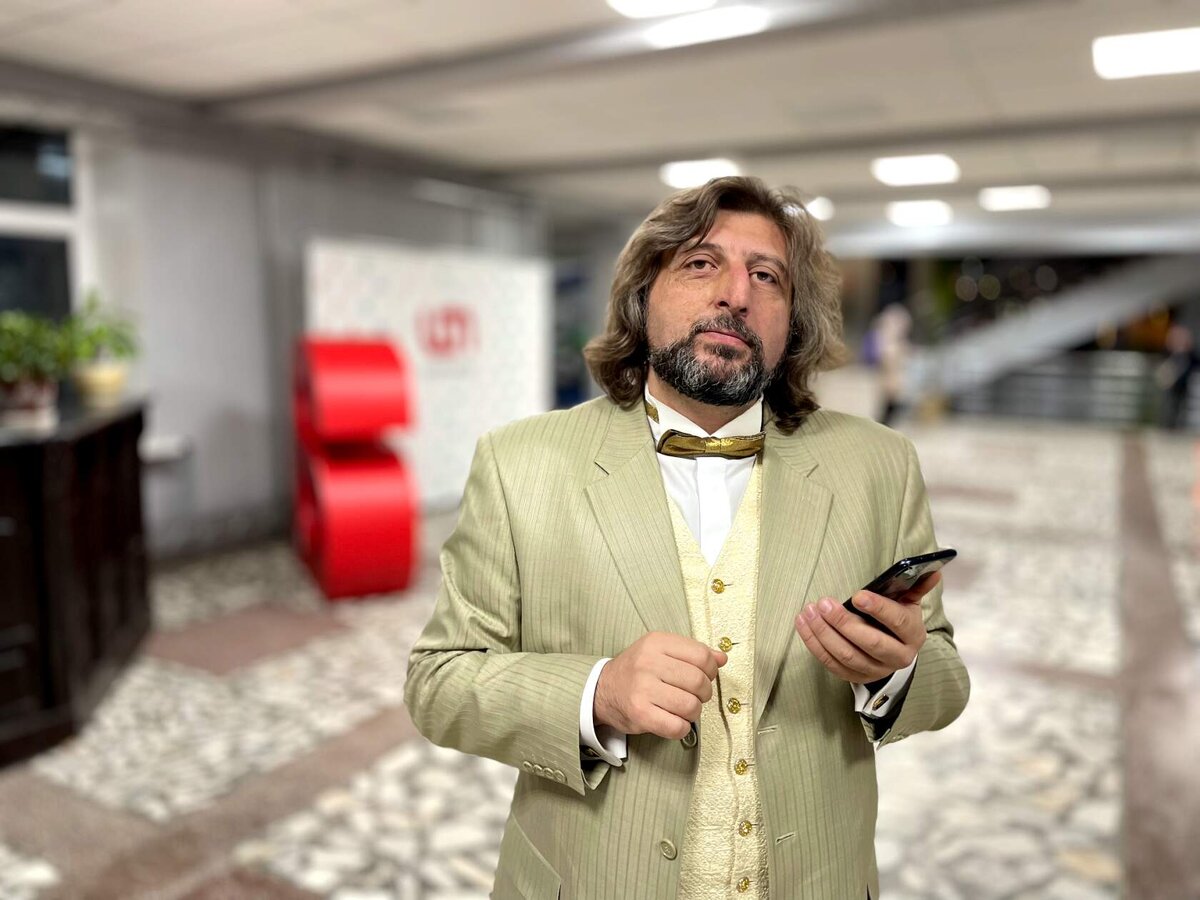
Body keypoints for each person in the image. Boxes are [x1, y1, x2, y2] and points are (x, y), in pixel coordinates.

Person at [404, 176, 969, 899]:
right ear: (644, 295)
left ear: (791, 323)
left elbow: (946, 678)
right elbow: (439, 680)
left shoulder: (879, 465)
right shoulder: (520, 464)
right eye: (702, 263)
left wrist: (896, 671)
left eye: (767, 277)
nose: (736, 294)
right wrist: (596, 693)